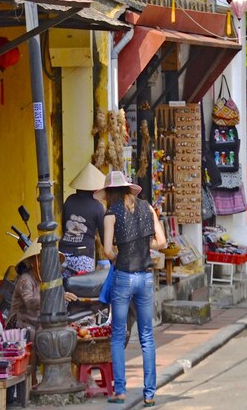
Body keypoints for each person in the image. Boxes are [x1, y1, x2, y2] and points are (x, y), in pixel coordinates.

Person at [102, 171, 167, 407]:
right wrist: (141, 243)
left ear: (110, 193)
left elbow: (108, 251)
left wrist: (121, 251)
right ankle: (149, 394)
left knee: (118, 336)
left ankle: (120, 391)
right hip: (145, 278)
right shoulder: (147, 208)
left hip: (123, 277)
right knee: (147, 337)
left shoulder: (111, 214)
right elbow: (162, 242)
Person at [7, 244, 77, 387]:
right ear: (34, 262)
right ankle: (32, 380)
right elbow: (30, 302)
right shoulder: (25, 280)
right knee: (39, 337)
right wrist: (57, 296)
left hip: (38, 322)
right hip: (20, 325)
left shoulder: (45, 280)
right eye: (41, 260)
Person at [60, 164, 106, 277]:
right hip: (83, 258)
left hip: (63, 255)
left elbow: (63, 226)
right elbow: (104, 237)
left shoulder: (69, 200)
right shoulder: (98, 207)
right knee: (83, 292)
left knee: (64, 292)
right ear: (95, 188)